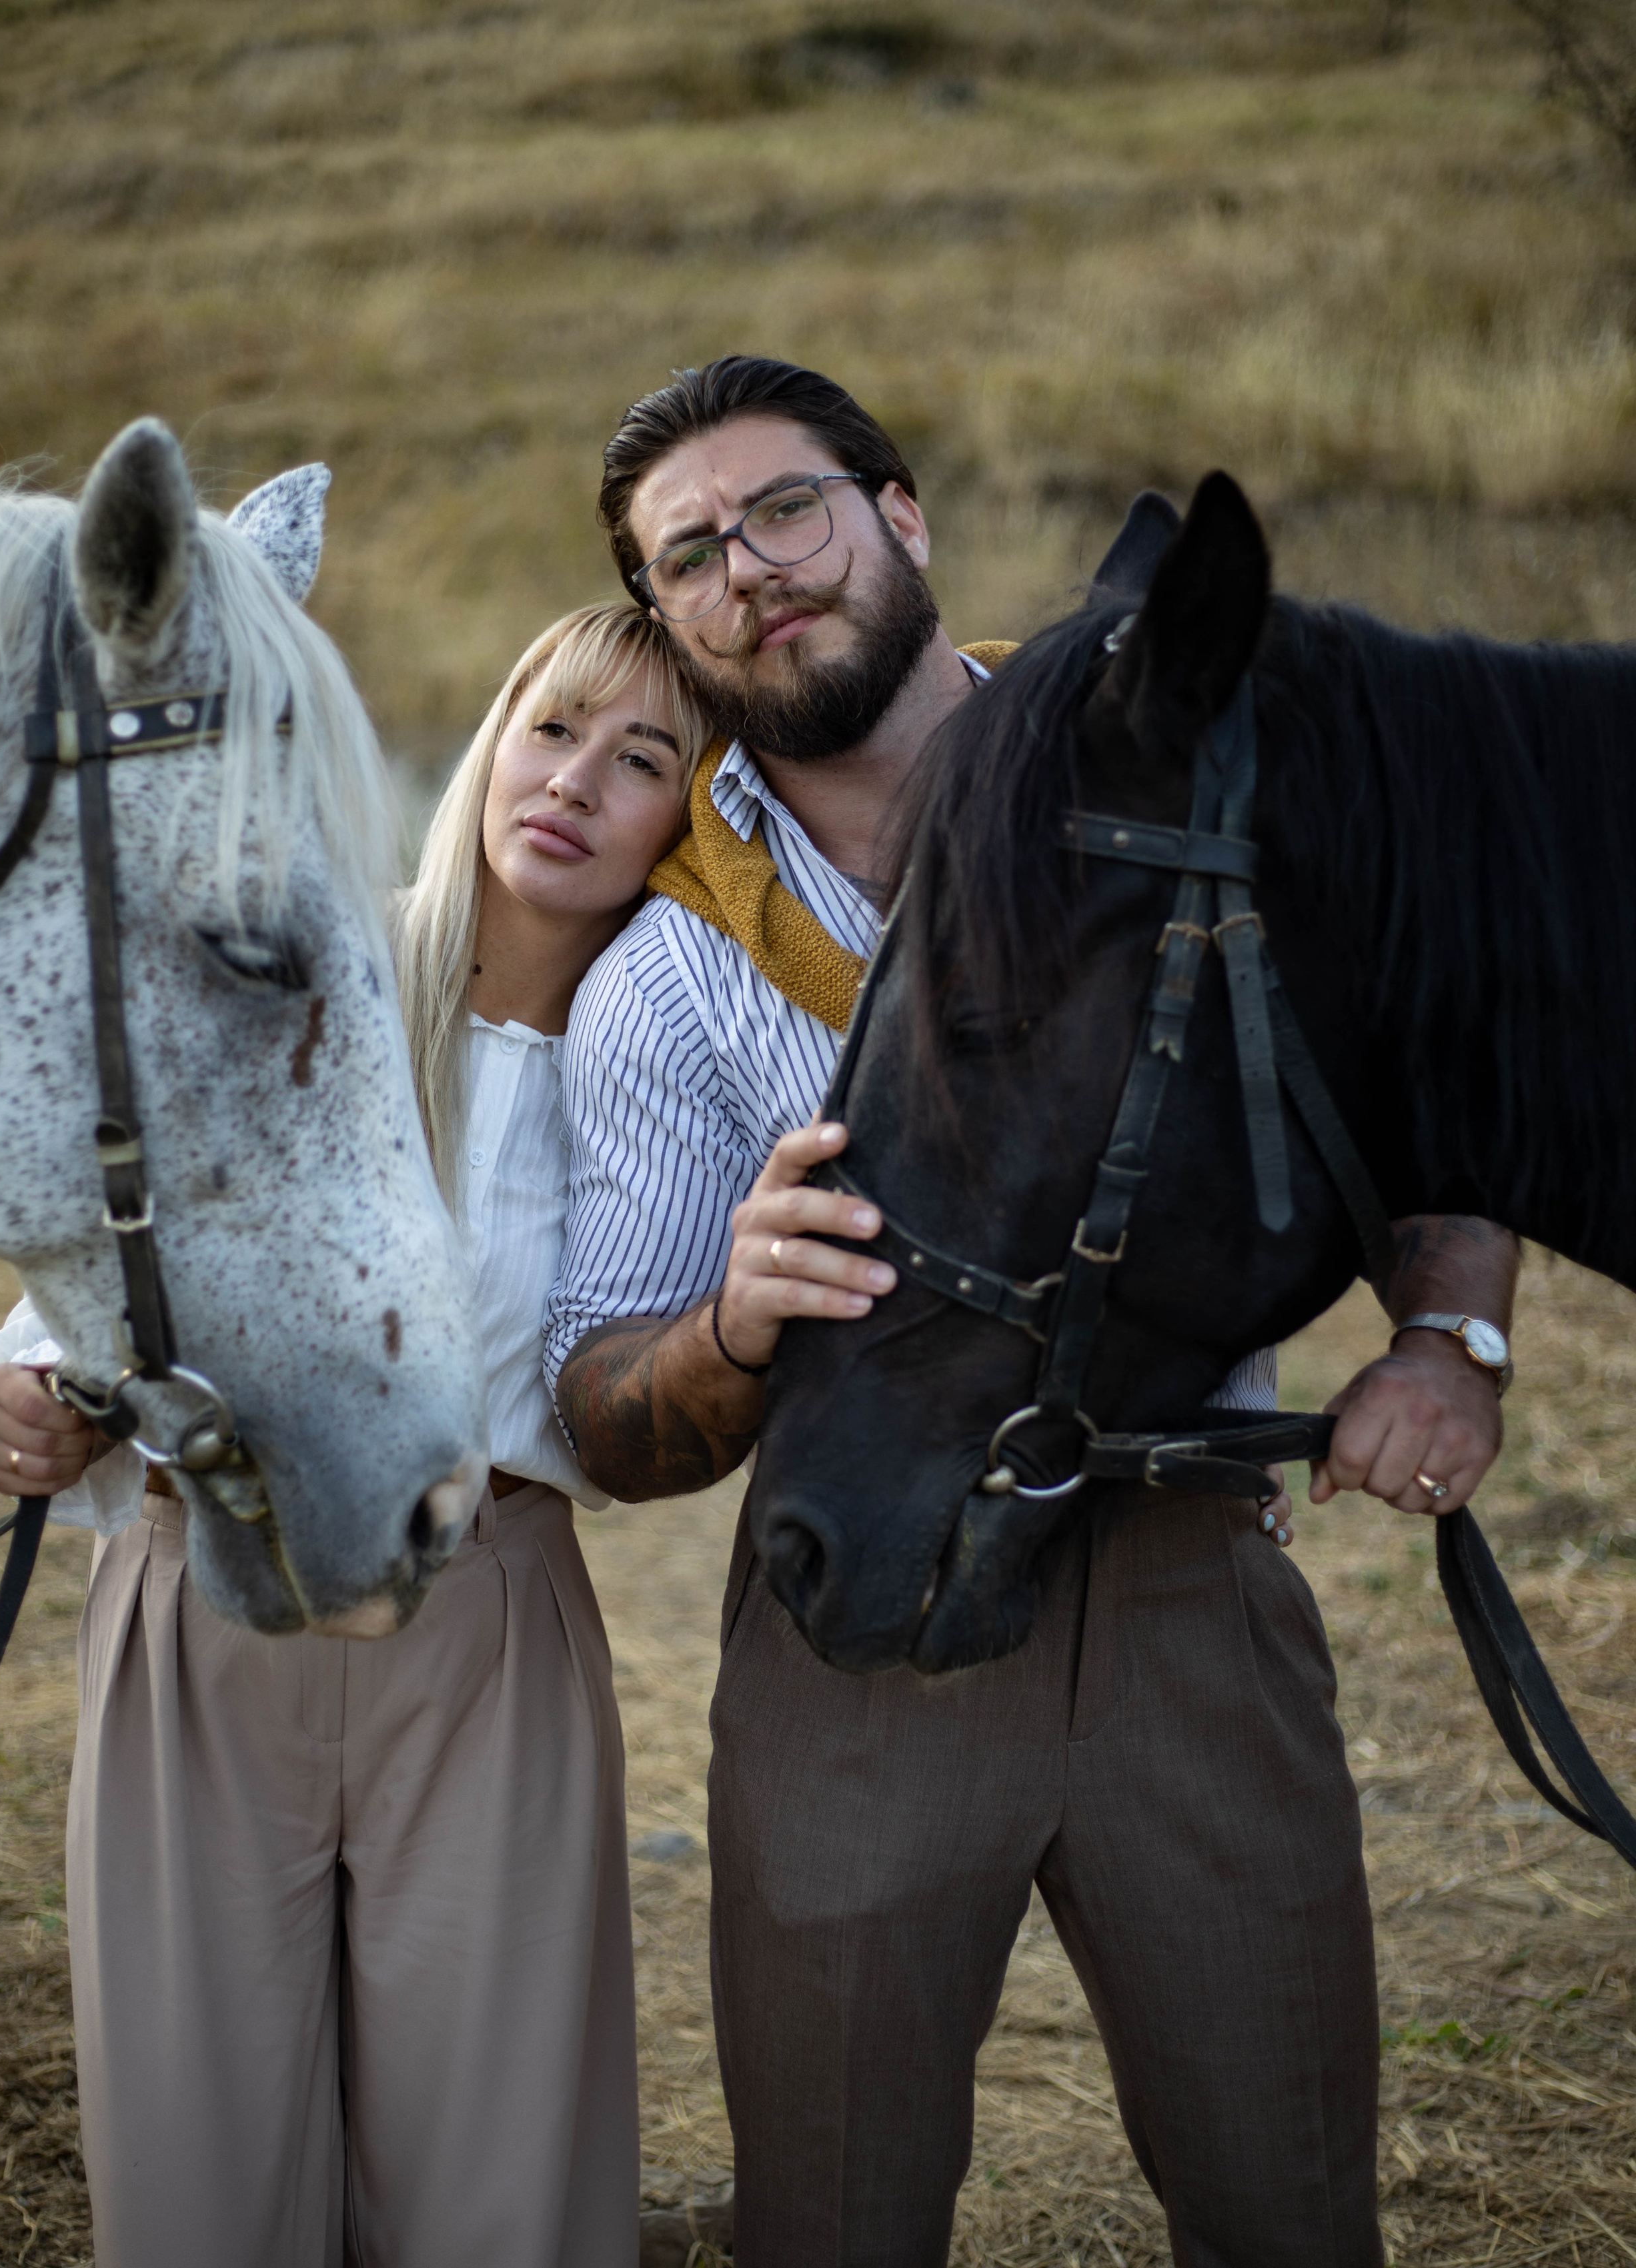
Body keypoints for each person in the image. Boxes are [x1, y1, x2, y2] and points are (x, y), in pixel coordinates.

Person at [544, 357, 1520, 2267]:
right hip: (863, 1627)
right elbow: (599, 1414)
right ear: (666, 619)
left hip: (1188, 1583)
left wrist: (1447, 1334)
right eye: (690, 557)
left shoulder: (1185, 776)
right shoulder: (668, 970)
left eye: (785, 510)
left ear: (899, 514)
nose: (749, 570)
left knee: (1289, 2200)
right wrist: (730, 1324)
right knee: (832, 2215)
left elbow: (1425, 1080)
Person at [0, 604, 708, 2268]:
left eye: (643, 758)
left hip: (486, 1628)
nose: (575, 781)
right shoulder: (291, 971)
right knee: (198, 2169)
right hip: (204, 1605)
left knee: (493, 2186)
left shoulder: (662, 1067)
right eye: (551, 726)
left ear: (696, 815)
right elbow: (97, 1267)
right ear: (492, 740)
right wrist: (29, 1389)